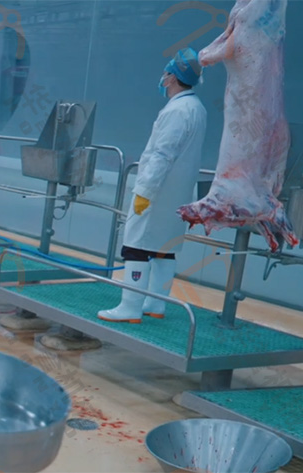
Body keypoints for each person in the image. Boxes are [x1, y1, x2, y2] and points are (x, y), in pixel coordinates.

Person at [98, 48, 207, 324]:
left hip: (158, 191)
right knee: (164, 248)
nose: (163, 77)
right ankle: (156, 304)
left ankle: (130, 307)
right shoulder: (197, 108)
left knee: (136, 246)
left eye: (166, 72)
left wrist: (144, 192)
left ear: (173, 77)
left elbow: (162, 155)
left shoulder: (177, 110)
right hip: (178, 193)